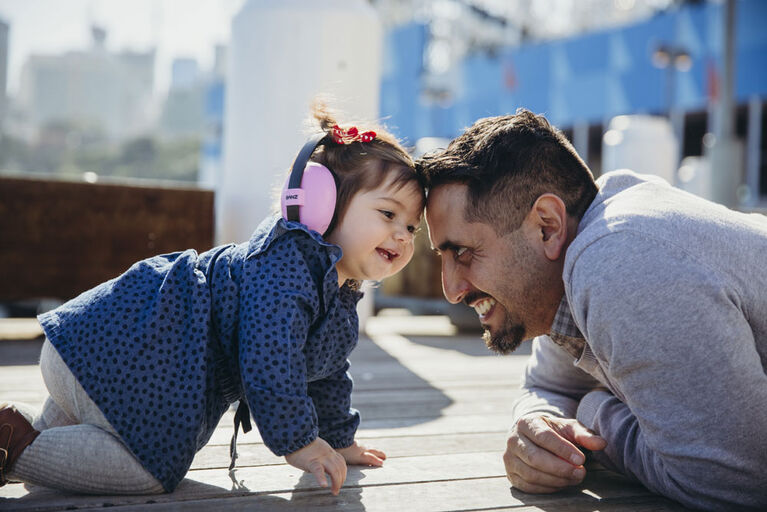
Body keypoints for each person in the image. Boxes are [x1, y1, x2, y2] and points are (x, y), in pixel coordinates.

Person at [0, 104, 425, 496]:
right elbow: (270, 357)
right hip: (125, 356)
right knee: (147, 469)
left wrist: (337, 438)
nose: (403, 235)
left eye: (412, 227)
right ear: (318, 205)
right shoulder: (284, 266)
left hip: (102, 356)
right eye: (388, 215)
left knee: (54, 448)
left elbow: (326, 370)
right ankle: (13, 444)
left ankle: (14, 437)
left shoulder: (336, 291)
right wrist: (300, 442)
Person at [416, 108, 767, 511]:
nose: (451, 291)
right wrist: (536, 427)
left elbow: (735, 484)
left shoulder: (619, 259)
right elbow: (549, 387)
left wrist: (594, 414)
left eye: (462, 252)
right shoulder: (572, 268)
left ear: (547, 226)